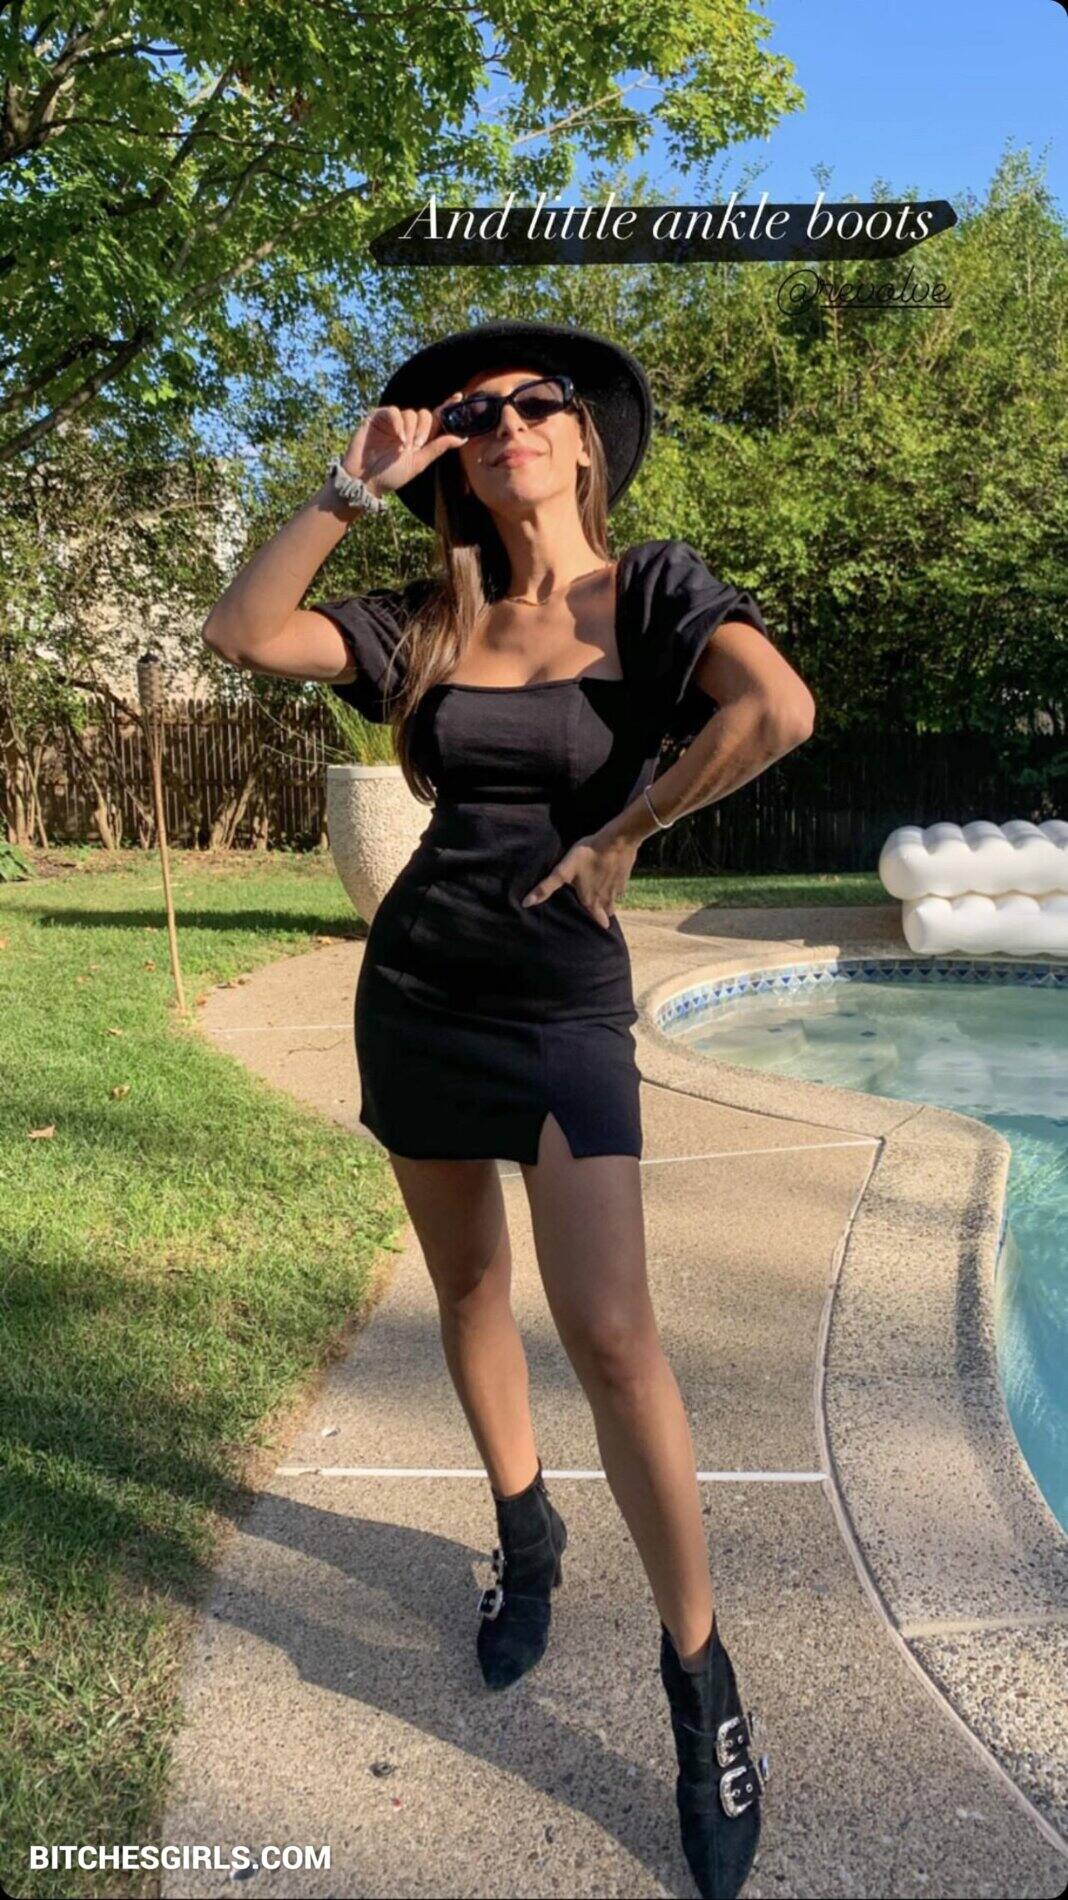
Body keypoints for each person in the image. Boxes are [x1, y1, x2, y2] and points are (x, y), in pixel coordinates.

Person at [202, 318, 816, 1900]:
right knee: (469, 1288)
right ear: (456, 464)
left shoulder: (657, 592)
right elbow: (241, 633)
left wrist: (628, 828)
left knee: (613, 1336)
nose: (511, 422)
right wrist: (347, 487)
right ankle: (524, 1532)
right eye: (478, 415)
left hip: (562, 1009)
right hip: (419, 991)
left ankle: (702, 1684)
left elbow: (778, 713)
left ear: (586, 437)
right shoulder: (429, 614)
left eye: (538, 403)